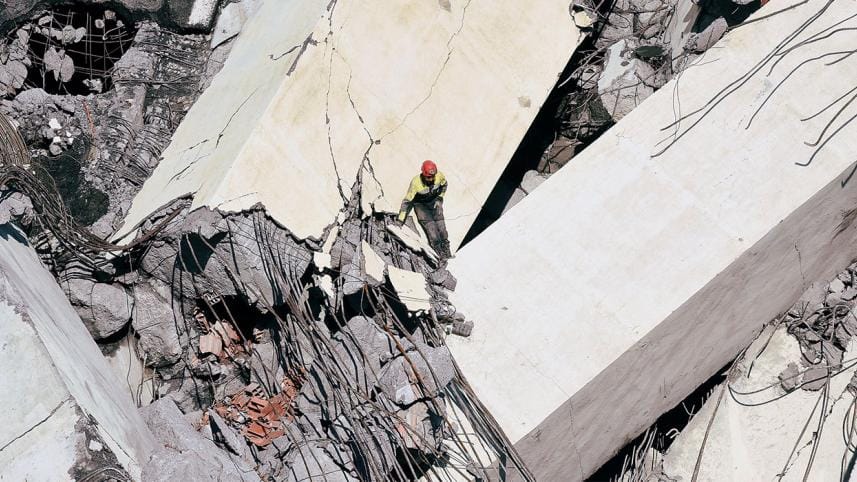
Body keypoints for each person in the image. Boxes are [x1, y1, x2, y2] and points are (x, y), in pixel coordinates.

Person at [397, 160, 451, 258]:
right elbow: (407, 202)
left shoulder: (439, 176)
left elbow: (444, 185)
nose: (431, 179)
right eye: (429, 177)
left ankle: (446, 250)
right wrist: (400, 220)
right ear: (423, 174)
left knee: (442, 227)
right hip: (420, 205)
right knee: (432, 230)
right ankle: (439, 255)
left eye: (433, 176)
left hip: (434, 202)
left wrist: (439, 198)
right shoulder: (415, 183)